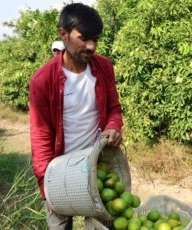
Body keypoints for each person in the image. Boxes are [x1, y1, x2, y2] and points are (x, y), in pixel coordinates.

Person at [29, 3, 123, 229]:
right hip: (60, 174)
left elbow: (114, 109)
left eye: (96, 39)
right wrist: (46, 190)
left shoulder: (104, 68)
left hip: (96, 169)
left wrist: (113, 127)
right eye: (84, 38)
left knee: (104, 225)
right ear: (64, 34)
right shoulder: (42, 81)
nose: (91, 46)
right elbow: (40, 138)